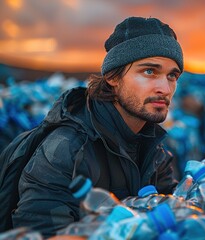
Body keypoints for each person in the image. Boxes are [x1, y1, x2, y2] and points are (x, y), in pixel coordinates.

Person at [11, 16, 183, 237]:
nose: (165, 88)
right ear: (113, 76)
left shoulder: (154, 150)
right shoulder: (67, 149)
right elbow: (39, 232)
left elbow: (173, 212)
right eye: (149, 71)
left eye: (172, 75)